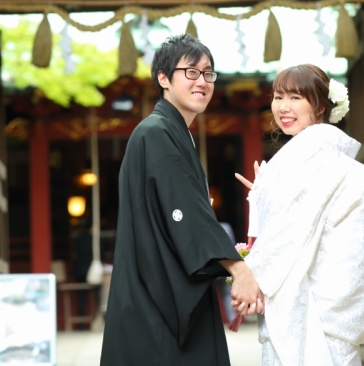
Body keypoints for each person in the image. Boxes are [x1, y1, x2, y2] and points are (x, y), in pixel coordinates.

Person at [100, 34, 262, 366]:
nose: (202, 81)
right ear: (163, 78)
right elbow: (185, 211)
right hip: (157, 298)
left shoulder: (167, 131)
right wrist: (239, 270)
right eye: (191, 72)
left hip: (164, 288)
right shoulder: (156, 132)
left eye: (208, 73)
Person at [235, 64, 364, 366]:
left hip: (306, 309)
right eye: (278, 97)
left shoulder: (303, 159)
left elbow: (284, 233)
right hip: (338, 311)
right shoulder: (339, 164)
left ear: (319, 106)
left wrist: (248, 277)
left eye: (295, 98)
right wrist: (263, 196)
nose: (283, 107)